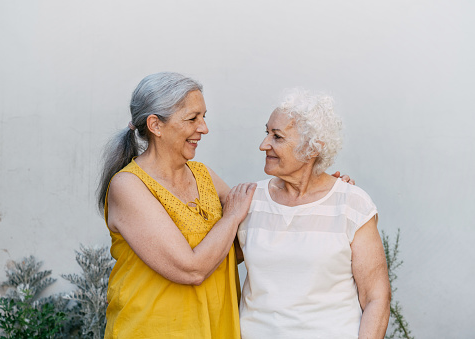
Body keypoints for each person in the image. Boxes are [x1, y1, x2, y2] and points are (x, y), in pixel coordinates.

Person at [97, 72, 256, 339]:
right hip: (154, 330)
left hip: (216, 328)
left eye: (204, 117)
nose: (204, 128)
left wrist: (321, 190)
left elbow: (250, 240)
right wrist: (230, 218)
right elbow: (191, 269)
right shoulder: (128, 186)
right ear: (156, 125)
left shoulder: (204, 174)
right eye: (193, 118)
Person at [237, 89, 391, 339]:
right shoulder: (249, 201)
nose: (264, 145)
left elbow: (376, 297)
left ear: (312, 149)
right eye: (267, 133)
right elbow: (214, 264)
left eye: (277, 137)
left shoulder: (352, 204)